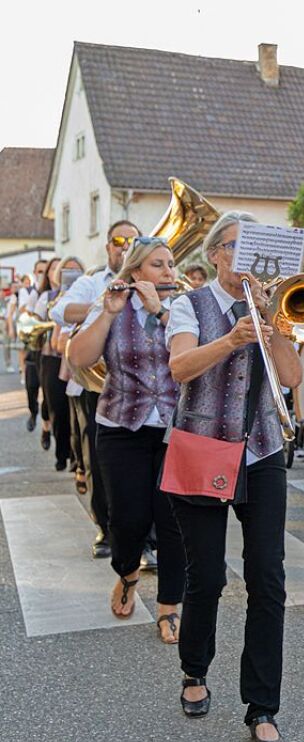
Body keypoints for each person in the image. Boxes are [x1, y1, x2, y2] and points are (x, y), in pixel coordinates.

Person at [167, 211, 300, 742]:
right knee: (207, 576)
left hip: (263, 448)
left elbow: (290, 378)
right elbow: (179, 367)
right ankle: (194, 670)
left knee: (268, 577)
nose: (249, 261)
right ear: (218, 254)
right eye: (241, 248)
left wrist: (274, 326)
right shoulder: (189, 303)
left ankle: (263, 706)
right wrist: (230, 338)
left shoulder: (271, 306)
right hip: (202, 446)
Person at [68, 238, 185, 641]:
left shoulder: (181, 307)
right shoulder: (111, 304)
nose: (169, 272)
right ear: (136, 272)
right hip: (120, 425)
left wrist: (162, 311)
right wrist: (106, 313)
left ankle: (170, 605)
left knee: (172, 521)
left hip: (174, 429)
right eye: (159, 265)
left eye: (171, 264)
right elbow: (77, 358)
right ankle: (128, 573)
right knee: (127, 518)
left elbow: (199, 355)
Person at [54, 220, 140, 558]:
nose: (126, 246)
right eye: (119, 240)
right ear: (108, 247)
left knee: (143, 462)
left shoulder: (153, 283)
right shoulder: (92, 283)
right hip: (97, 385)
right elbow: (59, 311)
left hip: (141, 387)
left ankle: (145, 536)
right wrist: (105, 305)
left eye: (134, 241)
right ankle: (105, 529)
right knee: (99, 459)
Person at [36, 256, 84, 472]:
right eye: (66, 270)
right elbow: (55, 341)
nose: (71, 274)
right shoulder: (50, 296)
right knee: (57, 407)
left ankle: (76, 459)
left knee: (75, 413)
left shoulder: (87, 292)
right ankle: (61, 453)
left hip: (78, 363)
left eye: (76, 270)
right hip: (53, 359)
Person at [19, 259, 49, 432]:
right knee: (31, 386)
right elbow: (26, 315)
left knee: (49, 391)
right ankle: (33, 412)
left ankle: (46, 425)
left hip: (50, 350)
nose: (43, 274)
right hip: (34, 346)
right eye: (40, 271)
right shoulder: (32, 293)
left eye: (46, 271)